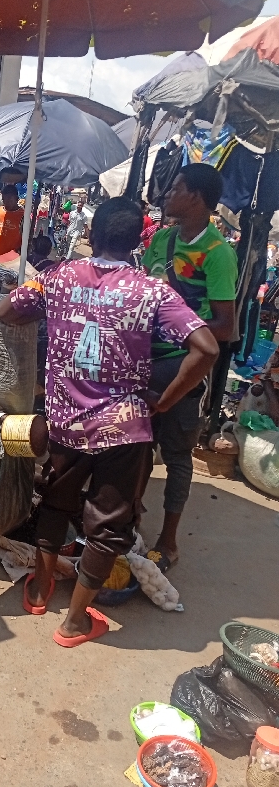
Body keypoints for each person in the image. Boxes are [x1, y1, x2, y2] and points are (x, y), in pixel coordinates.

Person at [0, 197, 218, 647]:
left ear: (92, 234)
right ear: (138, 241)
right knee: (108, 525)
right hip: (124, 427)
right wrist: (164, 402)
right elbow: (207, 348)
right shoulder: (153, 291)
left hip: (66, 421)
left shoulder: (57, 276)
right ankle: (74, 622)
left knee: (54, 504)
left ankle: (39, 590)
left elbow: (7, 310)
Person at [140, 163, 237, 569]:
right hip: (146, 363)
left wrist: (178, 329)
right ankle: (129, 520)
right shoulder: (162, 240)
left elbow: (226, 326)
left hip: (185, 369)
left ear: (196, 197)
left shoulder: (218, 254)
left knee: (177, 455)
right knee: (138, 446)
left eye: (175, 188)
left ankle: (169, 540)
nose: (167, 194)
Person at [0, 184, 24, 261]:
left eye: (10, 200)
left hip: (10, 259)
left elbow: (26, 239)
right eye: (4, 200)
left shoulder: (23, 216)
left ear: (16, 199)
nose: (6, 203)